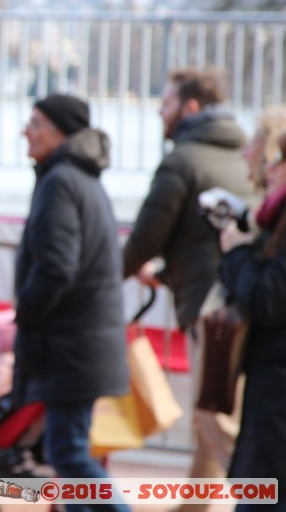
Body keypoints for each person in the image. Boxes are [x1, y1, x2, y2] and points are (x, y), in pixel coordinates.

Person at [122, 68, 254, 489]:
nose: (161, 111)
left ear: (190, 107)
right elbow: (205, 240)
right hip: (241, 301)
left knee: (216, 422)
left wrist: (104, 278)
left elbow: (146, 238)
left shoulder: (181, 160)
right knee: (214, 416)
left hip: (210, 310)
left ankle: (263, 495)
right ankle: (195, 504)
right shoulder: (242, 155)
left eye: (166, 102)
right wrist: (163, 272)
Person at [13, 94, 129, 512]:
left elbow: (56, 268)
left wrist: (25, 313)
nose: (26, 130)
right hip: (81, 343)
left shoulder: (61, 181)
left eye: (36, 122)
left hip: (73, 345)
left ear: (60, 132)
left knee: (70, 455)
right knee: (69, 454)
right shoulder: (78, 177)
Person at [205, 129, 286, 510]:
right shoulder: (271, 215)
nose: (270, 168)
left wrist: (237, 252)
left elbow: (269, 299)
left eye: (278, 159)